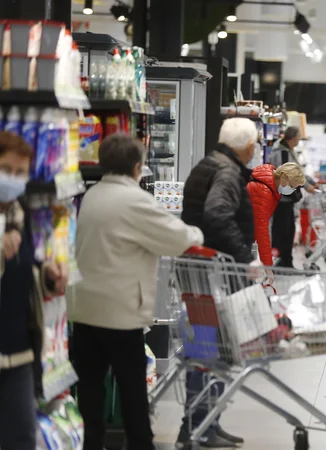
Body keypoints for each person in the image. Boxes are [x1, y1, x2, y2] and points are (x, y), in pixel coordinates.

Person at [69, 134, 203, 450]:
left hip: (84, 306)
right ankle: (141, 444)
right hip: (120, 310)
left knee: (90, 386)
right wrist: (197, 231)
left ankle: (91, 444)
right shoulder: (135, 201)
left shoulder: (91, 194)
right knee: (131, 388)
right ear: (136, 167)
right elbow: (178, 238)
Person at [180, 118, 259, 448]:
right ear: (250, 148)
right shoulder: (228, 172)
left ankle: (203, 423)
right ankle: (200, 426)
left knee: (205, 347)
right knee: (212, 350)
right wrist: (245, 257)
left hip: (198, 271)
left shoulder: (209, 162)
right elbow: (216, 214)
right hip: (213, 274)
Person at [0, 132, 68, 450]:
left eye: (19, 172)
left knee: (21, 438)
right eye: (6, 169)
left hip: (18, 353)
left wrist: (48, 278)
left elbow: (23, 274)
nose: (12, 179)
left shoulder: (20, 213)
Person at [265, 126, 317, 268]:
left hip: (286, 197)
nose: (299, 140)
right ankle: (280, 262)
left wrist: (312, 182)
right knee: (282, 231)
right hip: (282, 198)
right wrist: (307, 186)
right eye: (298, 137)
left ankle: (286, 262)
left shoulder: (287, 151)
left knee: (288, 230)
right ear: (294, 138)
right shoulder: (282, 152)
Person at [247, 162, 307, 265]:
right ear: (283, 176)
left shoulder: (270, 185)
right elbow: (261, 230)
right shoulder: (265, 192)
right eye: (292, 186)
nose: (292, 190)